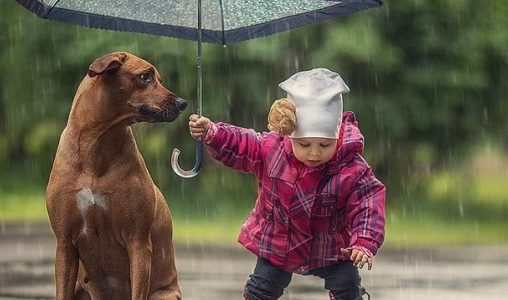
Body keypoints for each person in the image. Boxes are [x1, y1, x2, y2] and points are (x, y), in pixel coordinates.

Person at [188, 68, 386, 300]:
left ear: (338, 136)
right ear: (290, 135)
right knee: (260, 290)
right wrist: (213, 132)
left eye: (324, 145)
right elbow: (241, 143)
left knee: (348, 289)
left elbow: (368, 204)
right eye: (304, 144)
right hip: (279, 242)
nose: (314, 153)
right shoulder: (272, 149)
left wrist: (363, 241)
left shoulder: (352, 168)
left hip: (332, 247)